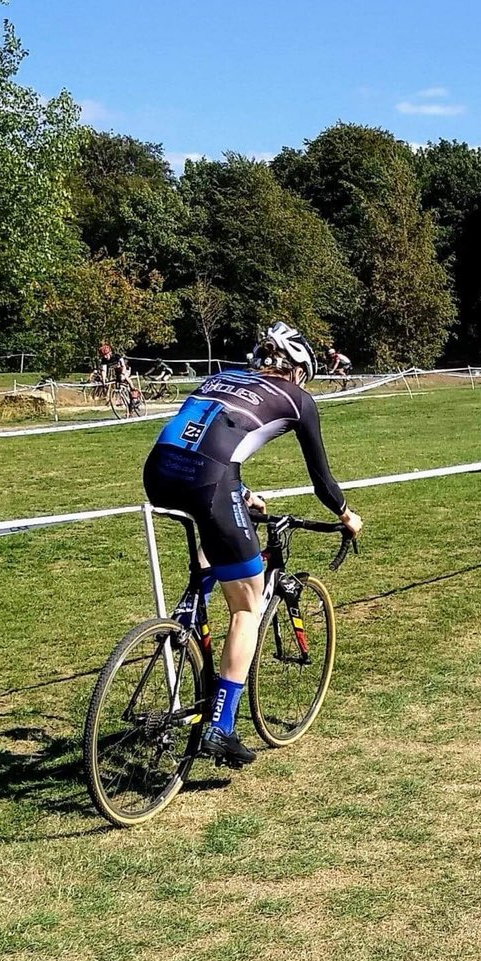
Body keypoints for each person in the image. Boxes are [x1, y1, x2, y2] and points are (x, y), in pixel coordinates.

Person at [143, 321, 363, 766]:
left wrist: (241, 495)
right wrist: (345, 514)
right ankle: (221, 727)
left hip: (159, 471)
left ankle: (187, 614)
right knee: (247, 606)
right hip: (209, 481)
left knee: (217, 537)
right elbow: (321, 478)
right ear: (298, 371)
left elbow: (208, 438)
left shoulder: (220, 376)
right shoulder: (298, 400)